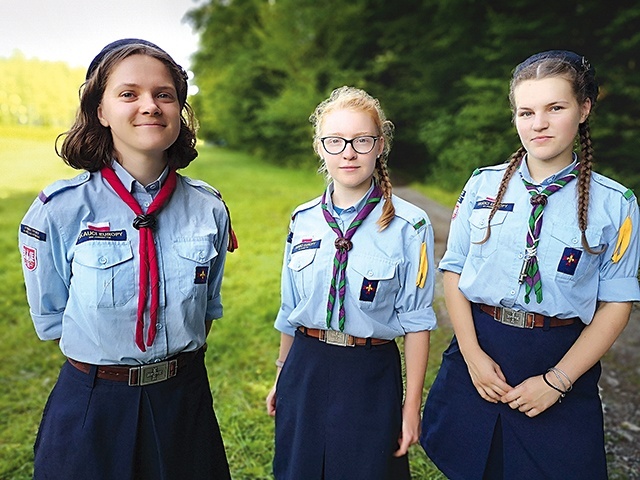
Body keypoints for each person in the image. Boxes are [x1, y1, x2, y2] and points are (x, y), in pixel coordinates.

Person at [18, 38, 237, 479]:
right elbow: (53, 315)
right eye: (128, 93)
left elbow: (205, 309)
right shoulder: (59, 210)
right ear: (101, 111)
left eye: (164, 94)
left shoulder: (209, 208)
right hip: (96, 403)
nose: (150, 106)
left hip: (184, 399)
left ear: (180, 110)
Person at [420, 50, 640, 479]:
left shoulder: (617, 205)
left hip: (558, 359)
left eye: (554, 108)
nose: (538, 123)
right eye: (526, 111)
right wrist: (472, 356)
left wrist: (557, 381)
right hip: (479, 353)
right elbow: (454, 271)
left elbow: (617, 304)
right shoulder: (482, 184)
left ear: (584, 109)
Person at [264, 86, 437, 479]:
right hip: (306, 368)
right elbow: (290, 310)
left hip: (370, 373)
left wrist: (411, 408)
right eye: (335, 141)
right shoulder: (302, 220)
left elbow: (418, 322)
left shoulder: (410, 225)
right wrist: (281, 374)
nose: (348, 152)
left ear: (380, 146)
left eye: (361, 140)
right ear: (319, 147)